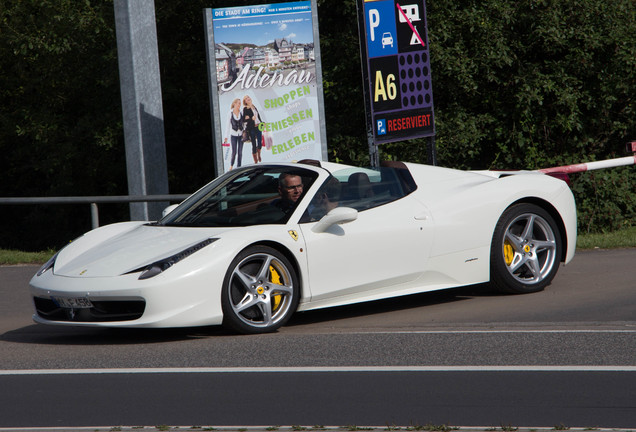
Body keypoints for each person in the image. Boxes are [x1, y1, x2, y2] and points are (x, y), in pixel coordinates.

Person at [242, 95, 264, 164]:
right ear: (245, 101)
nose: (248, 99)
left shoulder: (254, 107)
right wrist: (251, 118)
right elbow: (243, 119)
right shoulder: (245, 109)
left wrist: (262, 122)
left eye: (248, 97)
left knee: (260, 143)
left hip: (258, 126)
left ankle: (259, 154)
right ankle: (255, 160)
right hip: (252, 128)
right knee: (254, 144)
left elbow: (258, 117)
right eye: (246, 98)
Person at [223, 98, 244, 170]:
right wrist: (226, 137)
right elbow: (227, 126)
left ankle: (239, 167)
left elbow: (244, 123)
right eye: (238, 103)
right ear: (234, 104)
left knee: (240, 152)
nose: (239, 105)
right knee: (234, 152)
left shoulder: (241, 112)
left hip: (241, 135)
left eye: (240, 103)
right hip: (233, 135)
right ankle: (231, 165)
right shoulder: (230, 113)